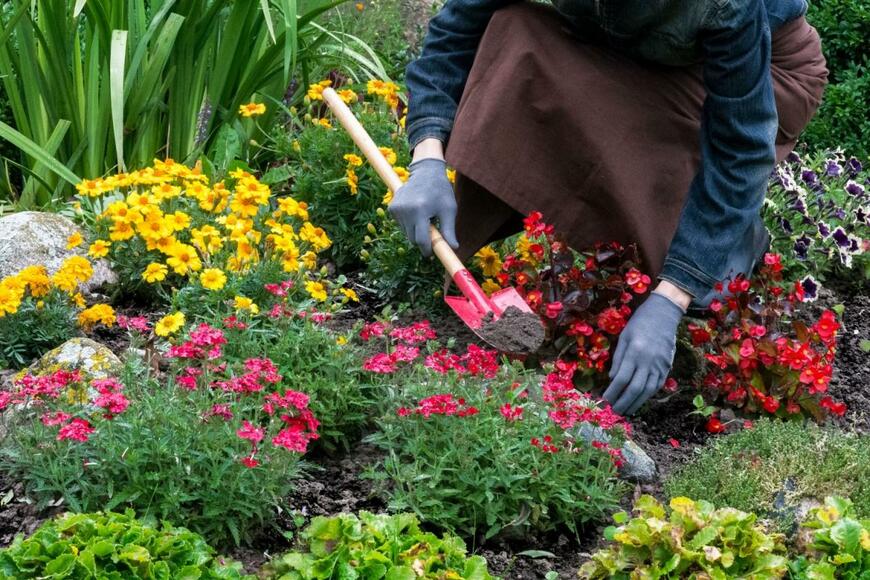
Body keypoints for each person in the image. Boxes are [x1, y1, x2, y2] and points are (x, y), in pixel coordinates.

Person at [388, 0, 828, 415]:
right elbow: (457, 29)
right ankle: (669, 230)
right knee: (515, 34)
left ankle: (721, 247)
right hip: (631, 50)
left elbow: (740, 147)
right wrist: (427, 156)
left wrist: (671, 297)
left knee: (627, 142)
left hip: (765, 74)